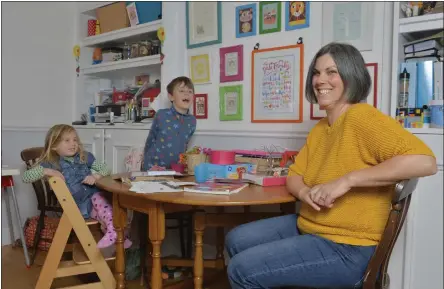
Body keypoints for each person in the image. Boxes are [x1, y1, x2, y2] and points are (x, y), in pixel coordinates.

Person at [225, 42, 437, 289]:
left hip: (348, 247)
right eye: (316, 72)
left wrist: (347, 180)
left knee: (242, 269)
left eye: (331, 72)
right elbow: (294, 175)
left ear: (351, 75)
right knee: (236, 239)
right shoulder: (320, 129)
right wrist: (304, 192)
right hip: (313, 227)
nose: (320, 80)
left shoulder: (362, 118)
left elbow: (426, 162)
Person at [23, 124, 132, 249]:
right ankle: (118, 234)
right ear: (54, 145)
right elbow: (26, 176)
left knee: (108, 206)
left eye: (75, 140)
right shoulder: (51, 163)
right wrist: (48, 171)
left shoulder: (84, 156)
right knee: (105, 211)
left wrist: (95, 176)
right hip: (76, 206)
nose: (73, 143)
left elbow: (106, 169)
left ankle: (119, 235)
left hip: (94, 197)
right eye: (67, 140)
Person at [143, 76, 197, 170]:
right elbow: (150, 141)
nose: (186, 94)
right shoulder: (161, 115)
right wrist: (147, 164)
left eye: (190, 91)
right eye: (181, 91)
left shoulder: (192, 121)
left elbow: (184, 145)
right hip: (153, 167)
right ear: (171, 96)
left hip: (174, 169)